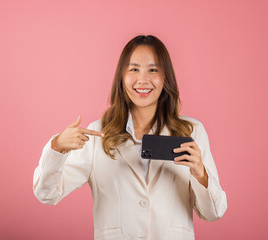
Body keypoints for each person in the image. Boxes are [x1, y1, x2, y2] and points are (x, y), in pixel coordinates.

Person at [32, 35, 227, 240]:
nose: (142, 79)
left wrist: (201, 173)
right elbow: (47, 194)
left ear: (166, 77)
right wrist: (57, 148)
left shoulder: (192, 132)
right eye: (134, 69)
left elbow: (213, 213)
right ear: (121, 77)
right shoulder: (97, 134)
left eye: (153, 69)